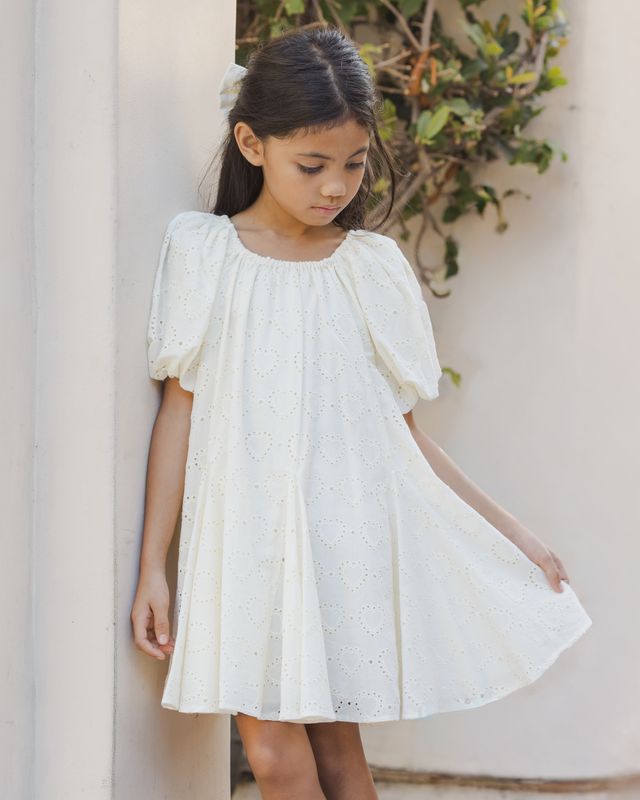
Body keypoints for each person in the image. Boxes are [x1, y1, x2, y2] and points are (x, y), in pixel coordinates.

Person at [131, 25, 592, 800]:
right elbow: (179, 414)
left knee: (341, 759)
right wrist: (153, 565)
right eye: (312, 165)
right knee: (276, 760)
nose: (334, 186)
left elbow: (399, 436)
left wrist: (513, 534)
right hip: (239, 547)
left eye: (352, 163)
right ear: (251, 142)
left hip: (337, 543)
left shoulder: (369, 269)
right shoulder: (204, 255)